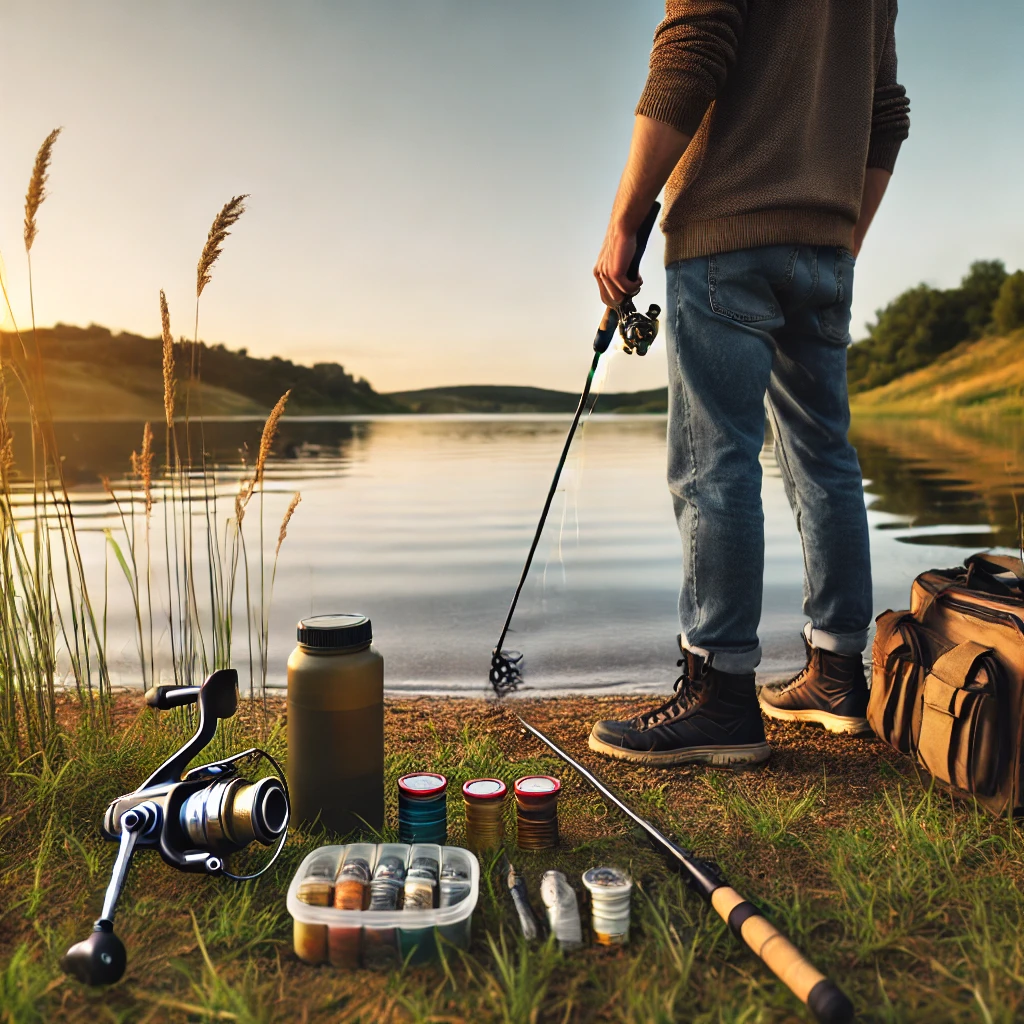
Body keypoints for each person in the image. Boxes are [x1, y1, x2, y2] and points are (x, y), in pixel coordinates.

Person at [588, 1, 910, 766]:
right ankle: (836, 675)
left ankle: (721, 694)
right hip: (826, 243)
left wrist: (626, 217)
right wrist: (843, 237)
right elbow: (885, 112)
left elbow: (693, 48)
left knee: (715, 464)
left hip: (726, 232)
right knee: (824, 458)